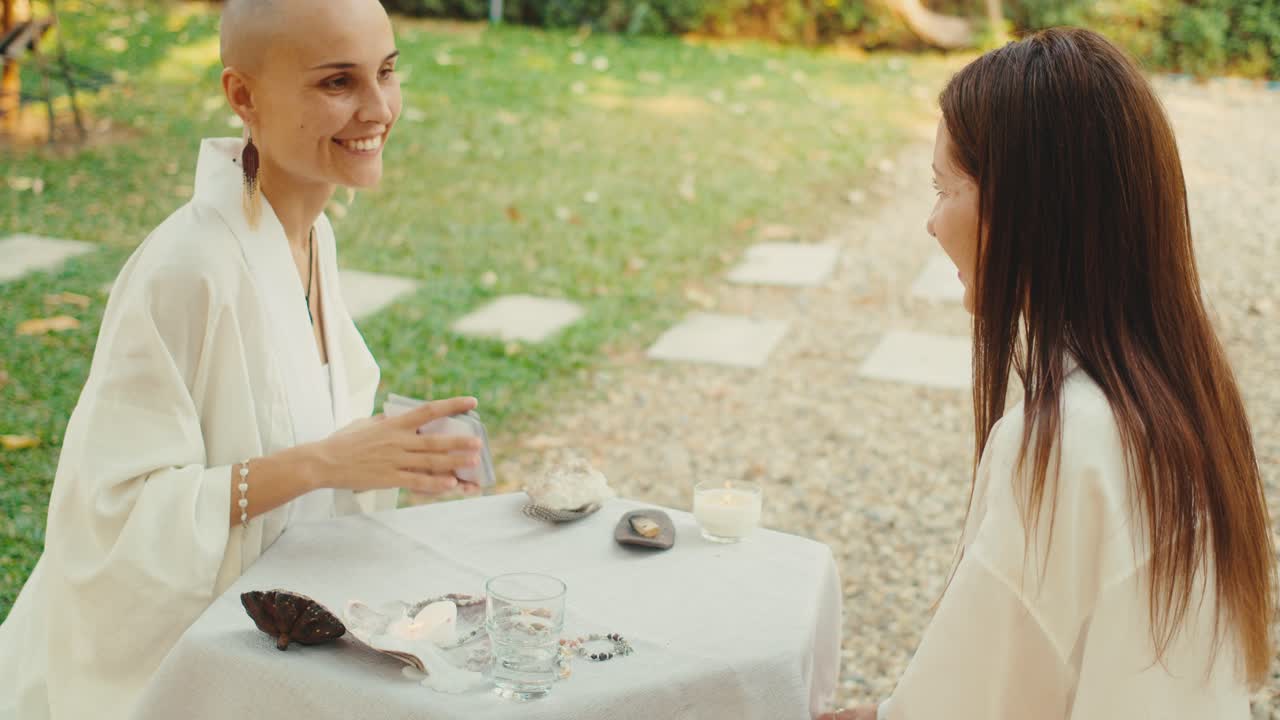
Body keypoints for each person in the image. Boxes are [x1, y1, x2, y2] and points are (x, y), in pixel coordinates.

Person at [0, 0, 483, 717]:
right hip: (170, 675)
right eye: (336, 83)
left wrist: (391, 455)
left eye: (385, 72)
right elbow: (111, 517)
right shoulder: (186, 269)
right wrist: (325, 463)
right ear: (243, 95)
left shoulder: (311, 237)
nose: (378, 108)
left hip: (281, 634)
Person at [821, 27, 1274, 720]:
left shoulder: (1067, 444)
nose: (933, 224)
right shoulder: (1181, 396)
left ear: (1027, 211)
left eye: (946, 189)